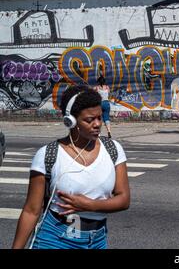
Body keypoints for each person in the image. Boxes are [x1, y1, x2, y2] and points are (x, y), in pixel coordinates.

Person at [12, 85, 130, 249]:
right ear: (71, 120)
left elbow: (124, 199)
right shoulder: (48, 155)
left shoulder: (113, 149)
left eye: (99, 117)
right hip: (55, 239)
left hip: (97, 241)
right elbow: (31, 210)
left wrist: (90, 205)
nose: (97, 124)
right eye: (89, 120)